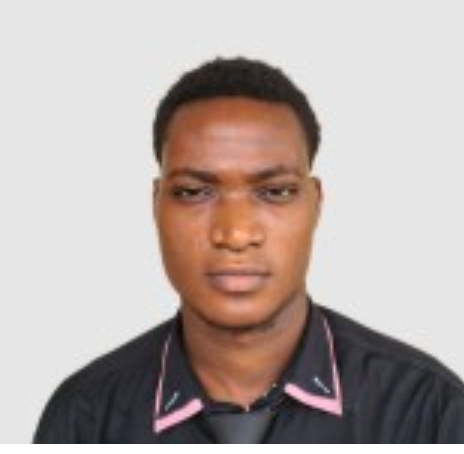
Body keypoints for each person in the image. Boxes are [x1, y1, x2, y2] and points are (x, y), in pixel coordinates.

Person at [34, 56, 464, 443]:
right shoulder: (86, 417)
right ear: (156, 204)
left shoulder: (428, 410)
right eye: (192, 192)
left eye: (275, 192)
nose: (236, 234)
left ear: (316, 203)